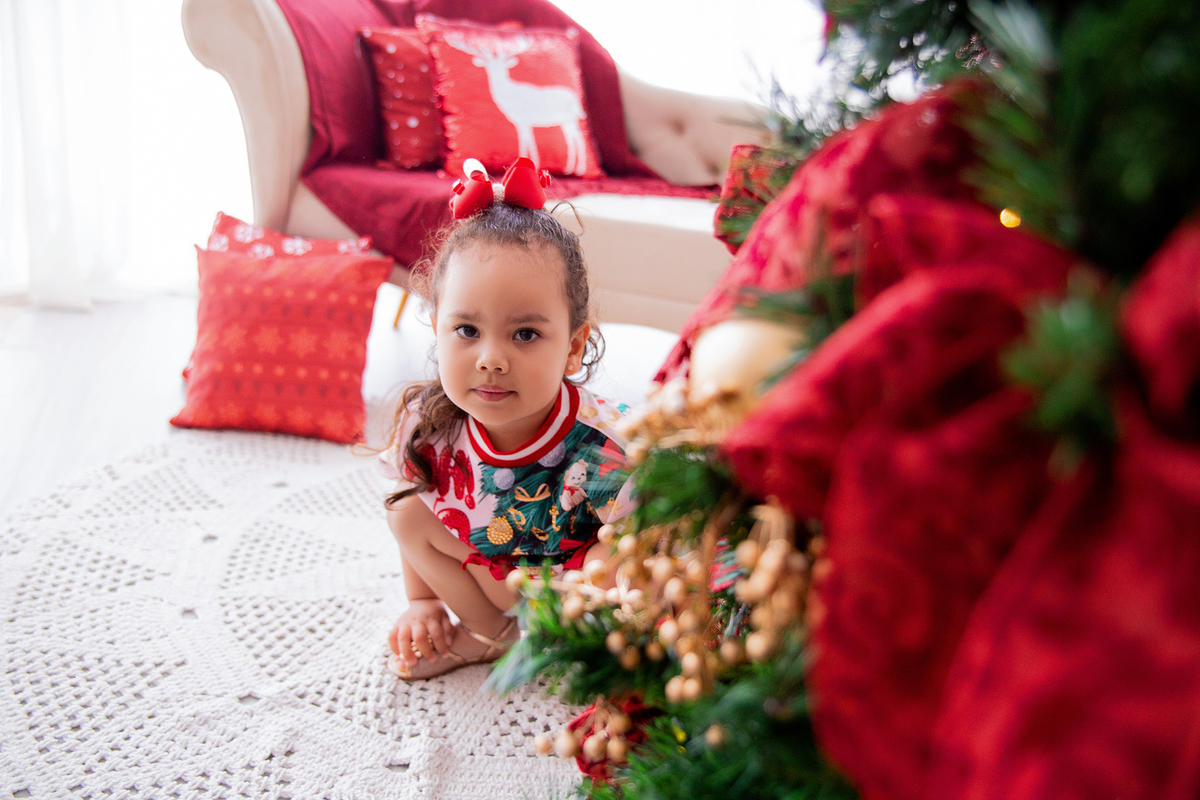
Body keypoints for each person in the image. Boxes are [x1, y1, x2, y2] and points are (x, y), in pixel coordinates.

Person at [381, 158, 634, 681]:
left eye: (524, 335)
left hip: (567, 605)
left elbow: (640, 546)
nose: (490, 358)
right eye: (468, 330)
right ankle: (487, 637)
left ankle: (565, 655)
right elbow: (422, 498)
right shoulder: (431, 425)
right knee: (405, 512)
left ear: (573, 346)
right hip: (497, 579)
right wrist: (422, 601)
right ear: (436, 327)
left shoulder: (601, 446)